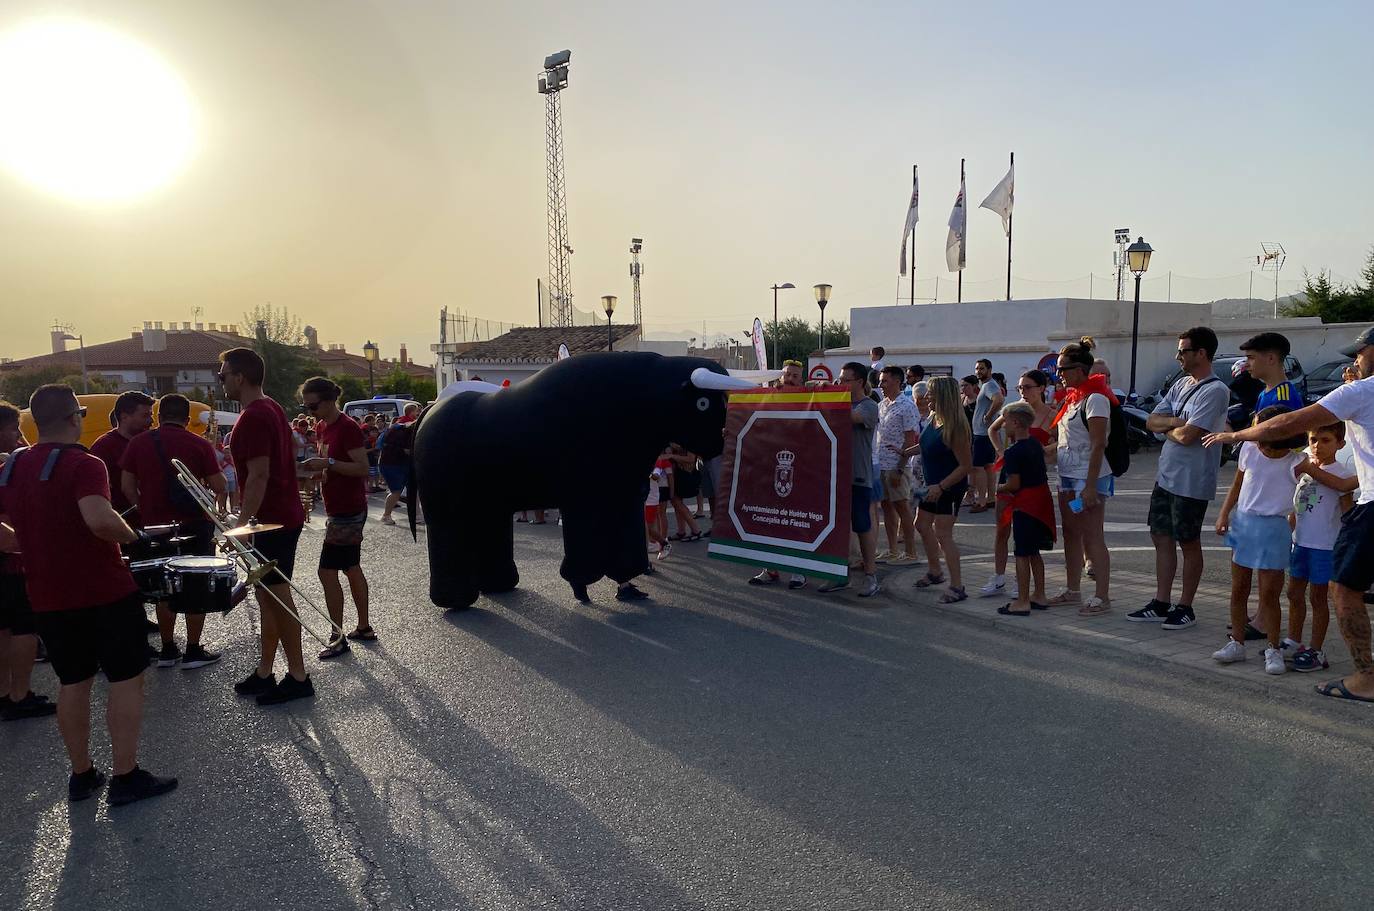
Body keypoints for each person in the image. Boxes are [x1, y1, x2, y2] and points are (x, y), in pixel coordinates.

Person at [0, 385, 176, 804]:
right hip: (103, 590)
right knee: (125, 679)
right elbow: (99, 519)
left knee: (72, 682)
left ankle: (81, 774)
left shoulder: (11, 468)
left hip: (45, 593)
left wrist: (29, 544)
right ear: (75, 418)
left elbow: (4, 536)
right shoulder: (84, 463)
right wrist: (131, 536)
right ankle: (125, 776)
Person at [1204, 326, 1374, 701]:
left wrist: (1238, 436)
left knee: (1342, 591)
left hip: (1366, 507)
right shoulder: (1359, 390)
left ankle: (1365, 675)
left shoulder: (1351, 391)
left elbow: (1291, 424)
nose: (1354, 360)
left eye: (1360, 354)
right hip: (1262, 521)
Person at [219, 347, 313, 706]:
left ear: (240, 377)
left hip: (271, 521)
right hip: (279, 516)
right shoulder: (271, 407)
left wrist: (240, 526)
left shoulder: (255, 416)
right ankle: (265, 671)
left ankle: (298, 676)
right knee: (267, 596)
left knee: (277, 597)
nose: (221, 381)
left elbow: (259, 475)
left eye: (223, 374)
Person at [1129, 327, 1230, 629]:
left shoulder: (1215, 391)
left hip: (1192, 480)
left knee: (1188, 541)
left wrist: (1170, 428)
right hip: (1167, 476)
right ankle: (1161, 602)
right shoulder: (1181, 383)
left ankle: (1185, 605)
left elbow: (1189, 437)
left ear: (1201, 353)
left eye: (1183, 351)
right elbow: (1151, 420)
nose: (1178, 357)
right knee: (1161, 536)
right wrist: (1174, 421)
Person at [119, 394, 227, 669]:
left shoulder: (138, 443)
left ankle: (168, 649)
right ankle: (193, 650)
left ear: (158, 416)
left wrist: (143, 509)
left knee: (164, 587)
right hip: (194, 524)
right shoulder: (198, 444)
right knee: (195, 584)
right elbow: (219, 485)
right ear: (187, 419)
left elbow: (127, 485)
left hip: (155, 526)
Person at [1211, 406, 1307, 673]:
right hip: (1244, 523)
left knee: (1269, 595)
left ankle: (1273, 648)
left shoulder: (1296, 463)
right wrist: (1224, 514)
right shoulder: (1249, 449)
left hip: (1274, 528)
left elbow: (1311, 491)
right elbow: (1238, 485)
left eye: (1259, 428)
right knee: (1239, 588)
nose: (1254, 434)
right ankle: (1237, 643)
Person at [299, 378, 375, 657]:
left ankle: (337, 635)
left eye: (313, 405)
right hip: (338, 508)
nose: (310, 411)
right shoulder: (321, 427)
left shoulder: (347, 428)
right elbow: (333, 467)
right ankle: (363, 627)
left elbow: (362, 468)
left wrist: (328, 463)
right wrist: (314, 474)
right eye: (305, 406)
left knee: (326, 571)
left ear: (330, 400)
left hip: (348, 510)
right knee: (351, 568)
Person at [1047, 337, 1114, 616]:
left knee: (1092, 535)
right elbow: (1064, 441)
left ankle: (1102, 596)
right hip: (1067, 477)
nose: (1059, 375)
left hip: (1089, 479)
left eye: (1063, 369)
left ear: (1080, 369)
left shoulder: (1096, 399)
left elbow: (1099, 443)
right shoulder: (1073, 399)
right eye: (1058, 370)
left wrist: (1089, 486)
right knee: (1071, 533)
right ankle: (1073, 589)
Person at [0, 400, 55, 721]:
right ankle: (20, 695)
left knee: (4, 628)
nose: (18, 436)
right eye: (12, 428)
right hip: (12, 562)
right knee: (23, 628)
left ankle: (6, 692)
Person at [1287, 423, 1357, 672]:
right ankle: (1293, 641)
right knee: (1294, 593)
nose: (1317, 446)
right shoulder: (1306, 471)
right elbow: (1298, 506)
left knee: (1318, 598)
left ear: (1340, 444)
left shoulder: (1341, 473)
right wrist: (1290, 529)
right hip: (1301, 542)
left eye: (1325, 440)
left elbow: (1347, 511)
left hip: (1325, 546)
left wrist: (1347, 546)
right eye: (1313, 439)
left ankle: (1316, 650)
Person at [981, 370, 1055, 598]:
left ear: (1042, 388)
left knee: (1026, 535)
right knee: (1002, 528)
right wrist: (1002, 452)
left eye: (1028, 387)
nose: (1023, 391)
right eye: (1020, 387)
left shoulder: (1051, 414)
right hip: (1010, 471)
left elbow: (1060, 441)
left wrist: (1043, 454)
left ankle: (1021, 583)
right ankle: (999, 576)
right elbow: (992, 428)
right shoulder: (1015, 410)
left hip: (1031, 481)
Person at [819, 363, 880, 598]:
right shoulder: (840, 400)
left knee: (862, 524)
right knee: (837, 526)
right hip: (835, 474)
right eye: (839, 379)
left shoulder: (869, 406)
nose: (840, 383)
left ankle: (870, 575)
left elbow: (852, 417)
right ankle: (839, 575)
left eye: (845, 380)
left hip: (858, 475)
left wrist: (829, 395)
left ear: (860, 382)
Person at [748, 361, 809, 588]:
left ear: (800, 380)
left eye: (795, 376)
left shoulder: (809, 401)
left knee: (796, 523)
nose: (791, 379)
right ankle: (769, 568)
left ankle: (798, 570)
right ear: (780, 378)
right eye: (787, 375)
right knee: (770, 522)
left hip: (799, 470)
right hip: (769, 469)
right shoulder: (769, 399)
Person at [912, 375, 973, 603]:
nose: (926, 397)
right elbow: (926, 444)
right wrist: (904, 453)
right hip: (932, 486)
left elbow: (966, 466)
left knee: (943, 534)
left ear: (942, 396)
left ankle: (957, 586)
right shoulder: (934, 418)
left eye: (931, 393)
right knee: (921, 524)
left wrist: (942, 486)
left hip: (949, 487)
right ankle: (935, 571)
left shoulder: (956, 426)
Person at [994, 403, 1055, 616]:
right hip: (1041, 503)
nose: (1003, 426)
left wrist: (998, 487)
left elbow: (1014, 484)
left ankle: (1022, 601)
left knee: (1021, 553)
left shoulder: (1013, 452)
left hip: (1025, 505)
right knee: (1034, 552)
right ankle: (1039, 594)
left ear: (1016, 423)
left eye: (1006, 421)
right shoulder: (1035, 444)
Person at [876, 366, 920, 565]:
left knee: (902, 507)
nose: (881, 385)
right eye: (880, 381)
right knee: (886, 508)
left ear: (896, 381)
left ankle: (910, 553)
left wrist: (900, 468)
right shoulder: (882, 404)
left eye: (884, 381)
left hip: (897, 466)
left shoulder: (907, 406)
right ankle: (893, 550)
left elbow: (910, 441)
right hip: (882, 463)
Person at [90, 391, 155, 523]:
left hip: (154, 520)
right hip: (125, 520)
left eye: (151, 415)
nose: (151, 421)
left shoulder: (152, 442)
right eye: (145, 416)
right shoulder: (104, 447)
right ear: (124, 417)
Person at [968, 359, 1003, 512]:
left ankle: (981, 501)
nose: (978, 371)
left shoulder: (989, 385)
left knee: (978, 467)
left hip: (982, 433)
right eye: (977, 369)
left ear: (989, 369)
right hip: (985, 433)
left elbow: (999, 400)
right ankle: (990, 499)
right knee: (989, 467)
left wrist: (988, 416)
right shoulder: (987, 385)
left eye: (981, 368)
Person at [377, 417, 413, 526]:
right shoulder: (407, 433)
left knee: (396, 491)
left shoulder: (397, 429)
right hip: (394, 465)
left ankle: (387, 515)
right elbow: (407, 451)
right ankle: (386, 515)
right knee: (396, 492)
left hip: (386, 462)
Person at [645, 464, 671, 560]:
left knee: (647, 528)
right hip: (641, 499)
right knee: (644, 527)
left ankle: (664, 543)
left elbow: (656, 476)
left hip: (650, 501)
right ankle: (654, 544)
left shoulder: (657, 465)